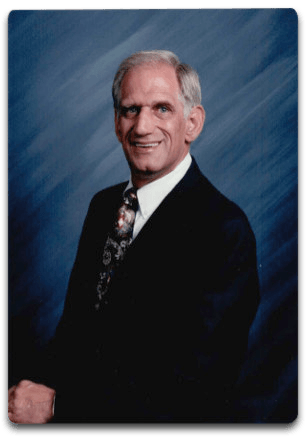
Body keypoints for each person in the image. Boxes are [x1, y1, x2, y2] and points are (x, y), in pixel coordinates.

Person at [8, 50, 260, 424]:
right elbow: (75, 336)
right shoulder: (104, 207)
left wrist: (58, 408)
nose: (142, 126)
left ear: (192, 123)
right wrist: (29, 395)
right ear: (115, 123)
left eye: (161, 109)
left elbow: (195, 390)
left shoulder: (224, 232)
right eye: (130, 109)